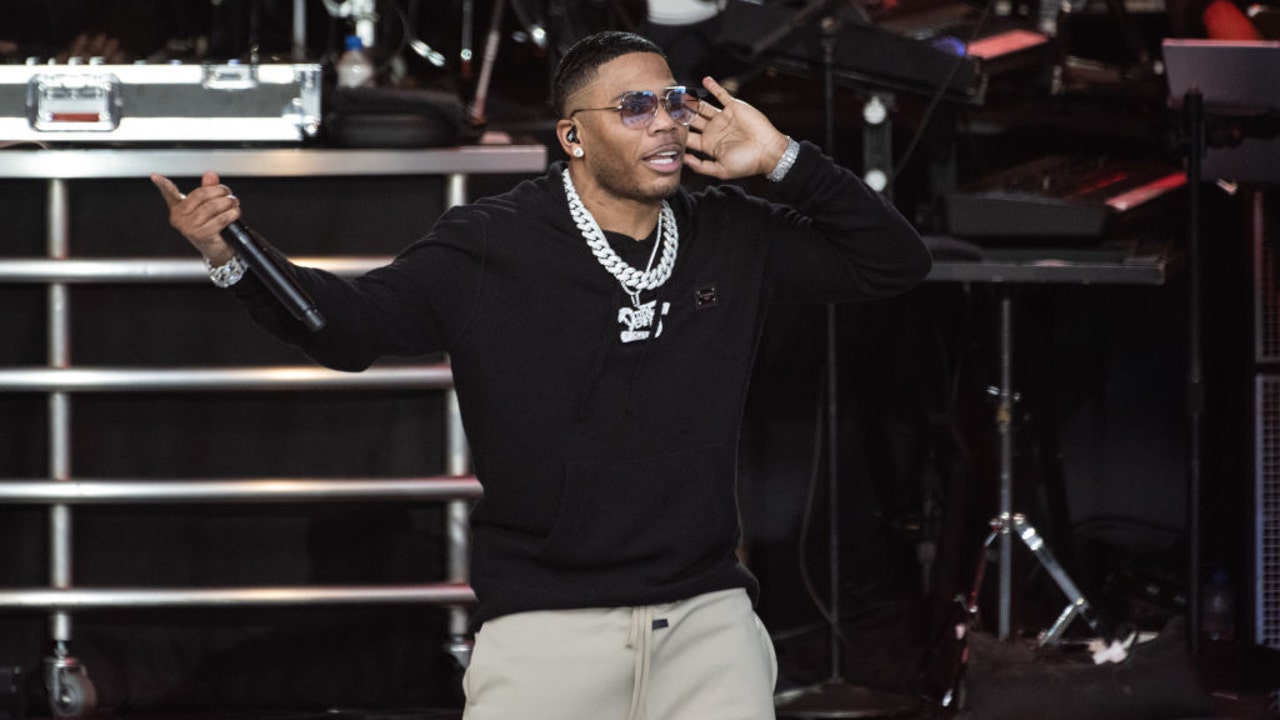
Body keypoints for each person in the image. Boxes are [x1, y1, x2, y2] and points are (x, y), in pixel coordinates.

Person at [152, 30, 930, 720]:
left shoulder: (731, 232)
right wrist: (232, 256)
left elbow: (895, 263)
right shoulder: (493, 246)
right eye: (634, 108)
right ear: (573, 136)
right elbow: (348, 328)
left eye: (674, 101)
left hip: (707, 624)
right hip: (547, 628)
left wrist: (785, 159)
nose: (665, 121)